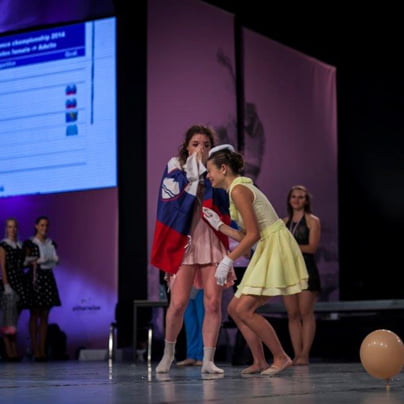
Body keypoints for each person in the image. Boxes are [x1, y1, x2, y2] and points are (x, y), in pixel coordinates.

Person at [203, 145, 308, 376]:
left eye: (210, 171)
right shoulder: (236, 189)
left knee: (244, 309)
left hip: (274, 247)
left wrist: (228, 260)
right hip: (266, 246)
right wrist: (219, 225)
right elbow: (247, 235)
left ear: (223, 168)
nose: (208, 176)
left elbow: (253, 235)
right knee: (235, 309)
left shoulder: (239, 190)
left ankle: (281, 357)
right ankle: (259, 361)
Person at [151, 125, 235, 374]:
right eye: (196, 144)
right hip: (184, 241)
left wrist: (210, 176)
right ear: (187, 147)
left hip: (211, 239)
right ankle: (168, 354)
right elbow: (169, 201)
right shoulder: (175, 166)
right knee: (178, 303)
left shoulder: (216, 171)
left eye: (206, 145)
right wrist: (193, 176)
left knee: (213, 303)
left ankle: (208, 360)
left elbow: (226, 200)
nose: (201, 149)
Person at [282, 185, 321, 366]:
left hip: (306, 270)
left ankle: (305, 354)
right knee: (292, 314)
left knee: (306, 313)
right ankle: (296, 353)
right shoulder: (284, 223)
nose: (297, 200)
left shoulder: (313, 221)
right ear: (289, 200)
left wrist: (291, 248)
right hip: (289, 272)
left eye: (301, 197)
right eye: (294, 197)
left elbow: (312, 247)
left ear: (306, 201)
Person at [23, 216, 61, 361]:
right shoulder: (30, 243)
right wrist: (35, 261)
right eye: (42, 225)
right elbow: (24, 261)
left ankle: (42, 350)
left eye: (46, 225)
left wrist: (54, 260)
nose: (44, 228)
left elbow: (54, 259)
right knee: (35, 313)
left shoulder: (50, 243)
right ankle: (35, 349)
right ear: (36, 226)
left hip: (47, 277)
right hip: (35, 277)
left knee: (45, 314)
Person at [0, 218, 29, 361]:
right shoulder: (3, 245)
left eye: (14, 227)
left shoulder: (20, 245)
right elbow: (2, 266)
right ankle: (9, 351)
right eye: (10, 227)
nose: (12, 229)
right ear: (6, 229)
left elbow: (22, 264)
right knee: (8, 318)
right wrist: (6, 285)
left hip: (20, 282)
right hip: (9, 283)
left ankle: (13, 349)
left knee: (14, 319)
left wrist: (30, 261)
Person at [176, 287, 204, 367]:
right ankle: (191, 355)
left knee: (202, 320)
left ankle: (202, 356)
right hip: (187, 287)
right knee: (190, 323)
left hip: (202, 285)